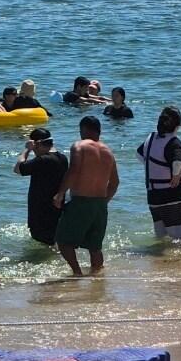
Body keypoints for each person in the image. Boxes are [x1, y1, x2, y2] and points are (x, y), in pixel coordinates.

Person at [53, 116, 119, 275]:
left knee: (63, 241)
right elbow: (115, 183)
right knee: (95, 247)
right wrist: (104, 202)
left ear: (84, 129)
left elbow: (74, 170)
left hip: (81, 202)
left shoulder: (79, 146)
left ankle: (77, 272)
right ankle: (97, 276)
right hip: (100, 205)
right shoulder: (108, 152)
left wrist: (60, 193)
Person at [136, 107, 181, 241]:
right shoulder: (174, 142)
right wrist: (175, 175)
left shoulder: (150, 138)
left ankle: (160, 261)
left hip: (153, 196)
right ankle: (180, 262)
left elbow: (139, 154)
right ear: (178, 125)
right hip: (171, 194)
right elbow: (178, 161)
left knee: (162, 237)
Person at [14, 127, 68, 246]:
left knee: (42, 242)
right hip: (56, 209)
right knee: (52, 242)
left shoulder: (43, 160)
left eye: (34, 149)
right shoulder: (62, 158)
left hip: (41, 211)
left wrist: (26, 150)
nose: (34, 152)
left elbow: (18, 169)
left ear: (37, 144)